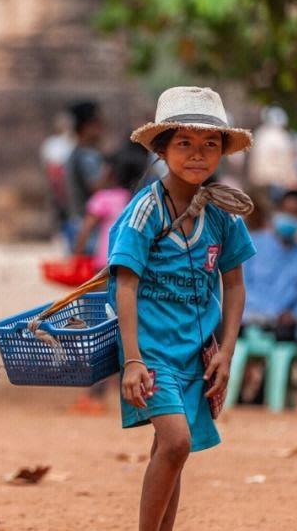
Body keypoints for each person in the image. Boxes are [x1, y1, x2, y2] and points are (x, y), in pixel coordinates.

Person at [107, 86, 255, 531]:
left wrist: (227, 352)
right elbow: (125, 288)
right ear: (162, 149)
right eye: (185, 143)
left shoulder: (222, 215)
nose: (198, 155)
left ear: (223, 152)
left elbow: (234, 285)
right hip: (151, 353)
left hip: (196, 355)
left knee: (170, 455)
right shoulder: (144, 211)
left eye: (210, 144)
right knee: (175, 443)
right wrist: (132, 359)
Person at [67, 146, 146, 415]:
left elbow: (86, 228)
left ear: (110, 172)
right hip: (130, 271)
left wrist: (76, 257)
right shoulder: (135, 200)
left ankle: (94, 395)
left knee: (94, 332)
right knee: (121, 330)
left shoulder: (102, 198)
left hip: (102, 273)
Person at [235, 189, 297, 403]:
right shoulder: (253, 243)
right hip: (247, 317)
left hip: (281, 324)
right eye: (287, 211)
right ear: (277, 211)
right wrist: (258, 312)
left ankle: (270, 397)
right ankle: (237, 394)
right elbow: (240, 284)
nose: (291, 217)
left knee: (285, 343)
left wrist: (294, 314)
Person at [63, 100, 106, 253]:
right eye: (98, 123)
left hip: (78, 225)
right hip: (89, 230)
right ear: (87, 127)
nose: (102, 129)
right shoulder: (86, 156)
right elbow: (97, 188)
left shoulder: (75, 154)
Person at [40, 111, 77, 247]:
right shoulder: (52, 144)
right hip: (57, 181)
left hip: (69, 182)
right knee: (58, 210)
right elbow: (50, 165)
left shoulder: (73, 143)